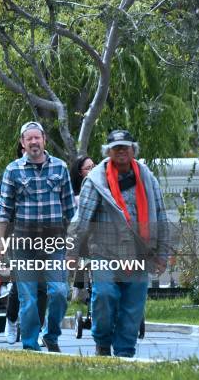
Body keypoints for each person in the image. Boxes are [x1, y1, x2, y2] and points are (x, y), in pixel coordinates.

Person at [68, 130, 169, 357]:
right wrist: (72, 252)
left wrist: (162, 254)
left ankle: (125, 353)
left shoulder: (147, 178)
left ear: (134, 149)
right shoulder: (96, 180)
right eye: (117, 148)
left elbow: (161, 216)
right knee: (104, 296)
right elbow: (81, 219)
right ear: (108, 152)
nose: (121, 151)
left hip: (140, 253)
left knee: (132, 309)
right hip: (104, 253)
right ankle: (103, 342)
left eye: (126, 146)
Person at [0, 121, 75, 352]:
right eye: (28, 139)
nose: (33, 142)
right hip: (23, 244)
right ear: (22, 143)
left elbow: (71, 211)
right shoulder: (13, 170)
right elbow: (4, 212)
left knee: (59, 292)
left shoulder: (60, 168)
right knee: (28, 298)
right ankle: (30, 345)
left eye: (36, 138)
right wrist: (0, 244)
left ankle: (51, 335)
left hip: (54, 242)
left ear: (44, 140)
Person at [2, 143, 48, 344]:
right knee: (21, 285)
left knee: (42, 286)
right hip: (19, 237)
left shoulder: (48, 173)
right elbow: (3, 210)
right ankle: (11, 320)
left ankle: (35, 330)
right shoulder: (11, 173)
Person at [69, 155, 96, 303]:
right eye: (88, 168)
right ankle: (78, 290)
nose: (92, 170)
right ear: (80, 172)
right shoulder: (73, 193)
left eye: (94, 166)